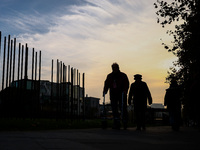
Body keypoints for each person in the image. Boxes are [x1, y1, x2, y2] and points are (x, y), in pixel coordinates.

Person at [103, 63, 129, 129]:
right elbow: (106, 84)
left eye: (115, 68)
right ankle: (116, 122)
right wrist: (105, 90)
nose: (114, 69)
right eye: (113, 68)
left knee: (122, 108)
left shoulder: (123, 75)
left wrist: (125, 90)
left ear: (118, 68)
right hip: (113, 94)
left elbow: (126, 84)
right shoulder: (110, 76)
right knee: (114, 108)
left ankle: (124, 121)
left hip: (121, 94)